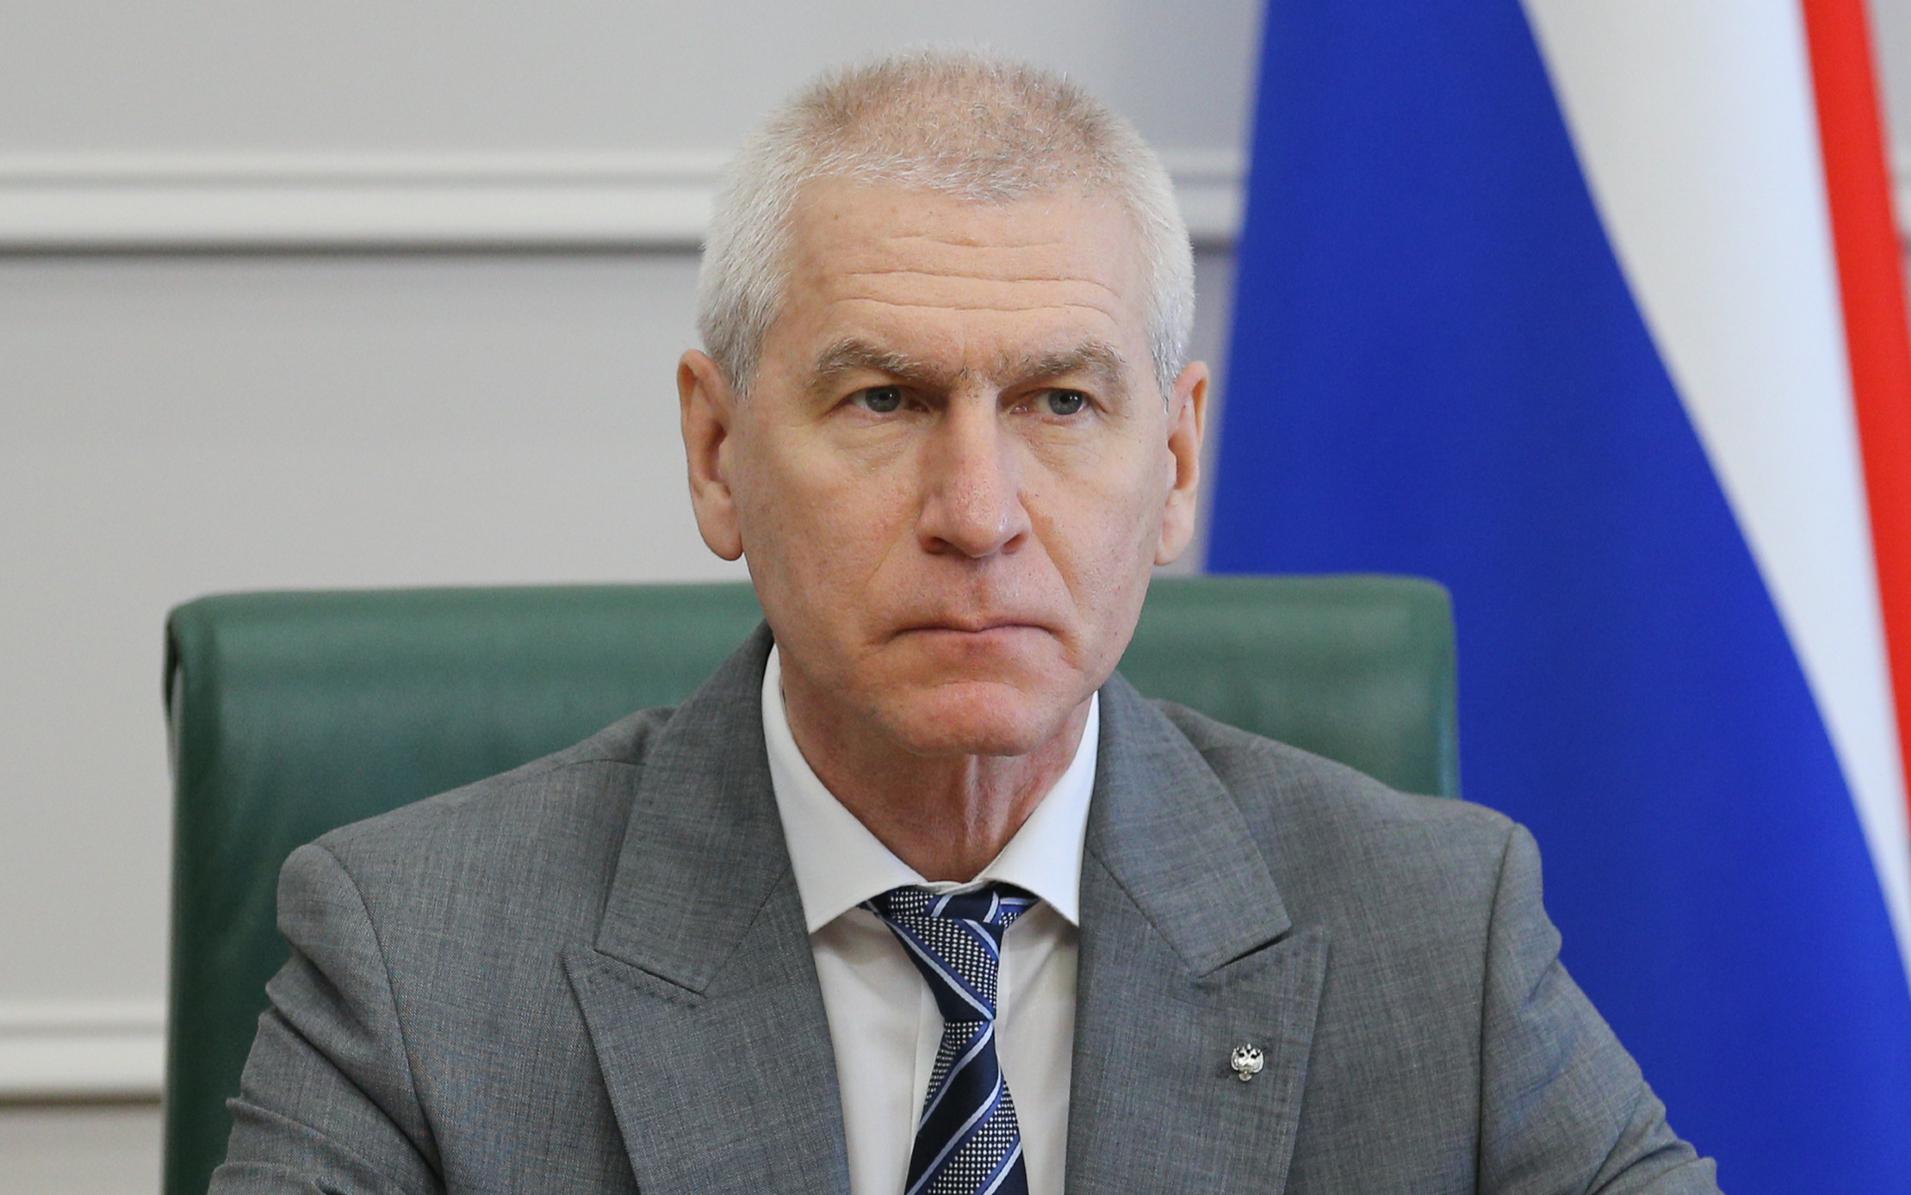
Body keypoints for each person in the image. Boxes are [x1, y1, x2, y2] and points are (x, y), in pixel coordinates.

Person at [212, 49, 1720, 1194]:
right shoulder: (418, 964)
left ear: (1177, 462)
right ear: (717, 453)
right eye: (885, 400)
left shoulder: (1438, 938)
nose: (979, 512)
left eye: (1060, 402)